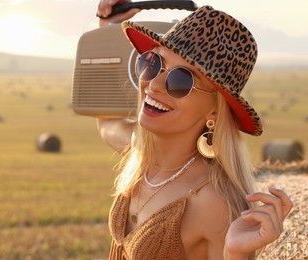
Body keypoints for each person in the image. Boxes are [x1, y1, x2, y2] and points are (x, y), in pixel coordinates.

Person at [96, 0, 293, 259]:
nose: (154, 85)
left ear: (214, 109)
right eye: (153, 63)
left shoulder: (214, 202)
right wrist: (106, 29)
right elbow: (106, 123)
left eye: (180, 80)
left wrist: (235, 253)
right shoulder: (140, 152)